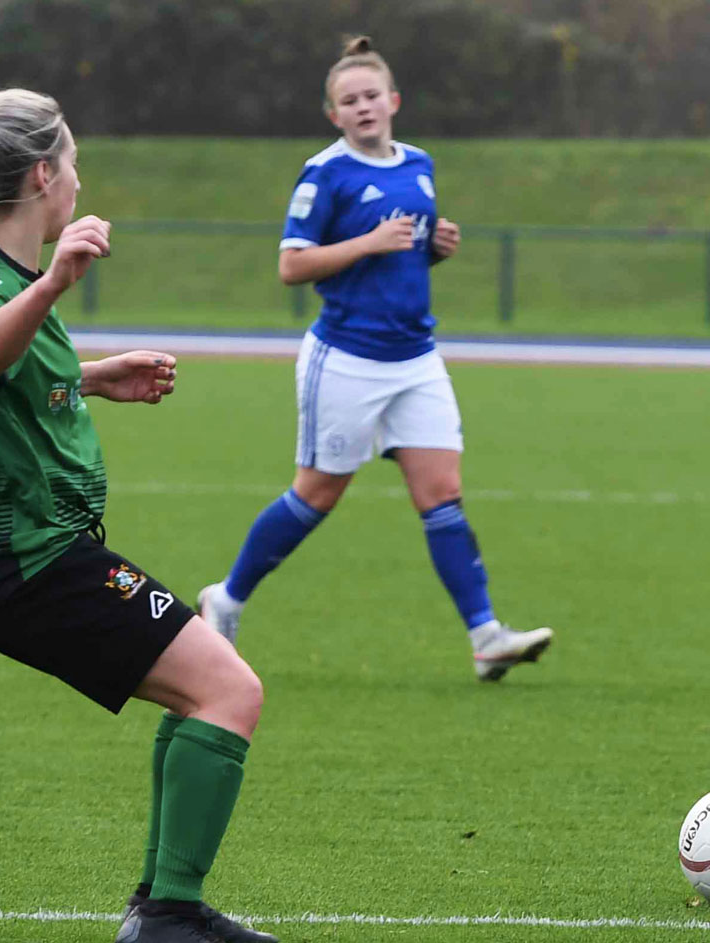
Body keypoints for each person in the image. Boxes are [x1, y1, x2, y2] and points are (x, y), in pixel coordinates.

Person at [0, 89, 277, 943]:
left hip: (39, 559)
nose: (81, 179)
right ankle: (165, 916)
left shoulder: (2, 275)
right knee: (229, 691)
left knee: (206, 681)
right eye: (76, 163)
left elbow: (8, 375)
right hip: (26, 565)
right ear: (45, 176)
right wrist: (59, 280)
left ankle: (171, 904)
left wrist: (91, 378)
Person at [196, 36, 553, 682]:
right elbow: (291, 264)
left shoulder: (419, 163)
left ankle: (486, 636)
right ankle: (226, 598)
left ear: (393, 100)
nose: (362, 108)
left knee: (442, 494)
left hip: (416, 357)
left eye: (370, 96)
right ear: (333, 114)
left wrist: (434, 248)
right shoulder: (324, 174)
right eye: (348, 101)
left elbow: (405, 253)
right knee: (319, 492)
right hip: (347, 358)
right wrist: (368, 241)